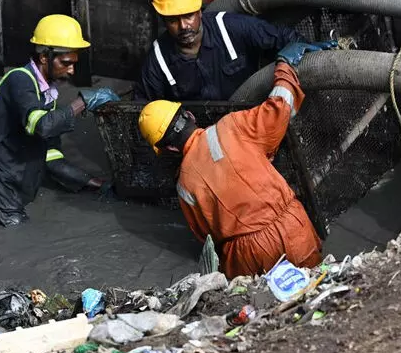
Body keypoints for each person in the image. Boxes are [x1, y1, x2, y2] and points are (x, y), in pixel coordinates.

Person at [137, 40, 336, 278]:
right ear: (189, 115)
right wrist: (283, 66)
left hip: (246, 253)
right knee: (317, 285)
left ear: (168, 148)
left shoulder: (184, 187)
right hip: (292, 227)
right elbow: (280, 106)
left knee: (262, 305)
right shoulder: (234, 125)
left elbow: (207, 237)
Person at [0, 14, 119, 227]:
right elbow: (43, 127)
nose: (72, 70)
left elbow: (51, 157)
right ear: (44, 57)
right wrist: (82, 101)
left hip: (10, 182)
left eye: (74, 63)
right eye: (65, 63)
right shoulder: (19, 80)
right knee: (19, 238)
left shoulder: (47, 95)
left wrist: (94, 183)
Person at [135, 0, 306, 102]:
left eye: (188, 16)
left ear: (199, 11)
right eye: (173, 20)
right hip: (199, 140)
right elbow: (142, 108)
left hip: (250, 127)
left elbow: (285, 38)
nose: (183, 26)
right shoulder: (158, 59)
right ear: (164, 21)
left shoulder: (230, 28)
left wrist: (293, 53)